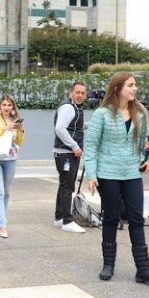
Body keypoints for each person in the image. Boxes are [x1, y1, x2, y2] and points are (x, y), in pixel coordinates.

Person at [84, 72, 149, 285]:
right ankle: (108, 265)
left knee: (136, 219)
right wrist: (91, 175)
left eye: (135, 85)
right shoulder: (102, 114)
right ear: (118, 88)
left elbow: (147, 142)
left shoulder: (140, 112)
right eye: (130, 85)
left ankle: (143, 270)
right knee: (111, 217)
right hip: (108, 172)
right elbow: (91, 146)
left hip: (131, 173)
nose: (135, 88)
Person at [0, 94, 25, 238]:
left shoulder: (15, 119)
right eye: (4, 105)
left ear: (13, 106)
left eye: (9, 105)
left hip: (11, 159)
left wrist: (21, 131)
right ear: (0, 105)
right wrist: (5, 128)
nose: (7, 108)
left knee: (7, 192)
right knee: (0, 192)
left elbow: (19, 142)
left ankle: (3, 219)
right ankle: (2, 225)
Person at [53, 81, 87, 233]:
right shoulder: (69, 107)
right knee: (68, 186)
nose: (80, 95)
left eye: (83, 93)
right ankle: (67, 220)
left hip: (64, 152)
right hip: (67, 153)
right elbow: (60, 128)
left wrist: (89, 125)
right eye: (77, 92)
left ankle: (59, 217)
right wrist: (75, 146)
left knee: (64, 184)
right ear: (71, 93)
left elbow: (72, 126)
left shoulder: (74, 107)